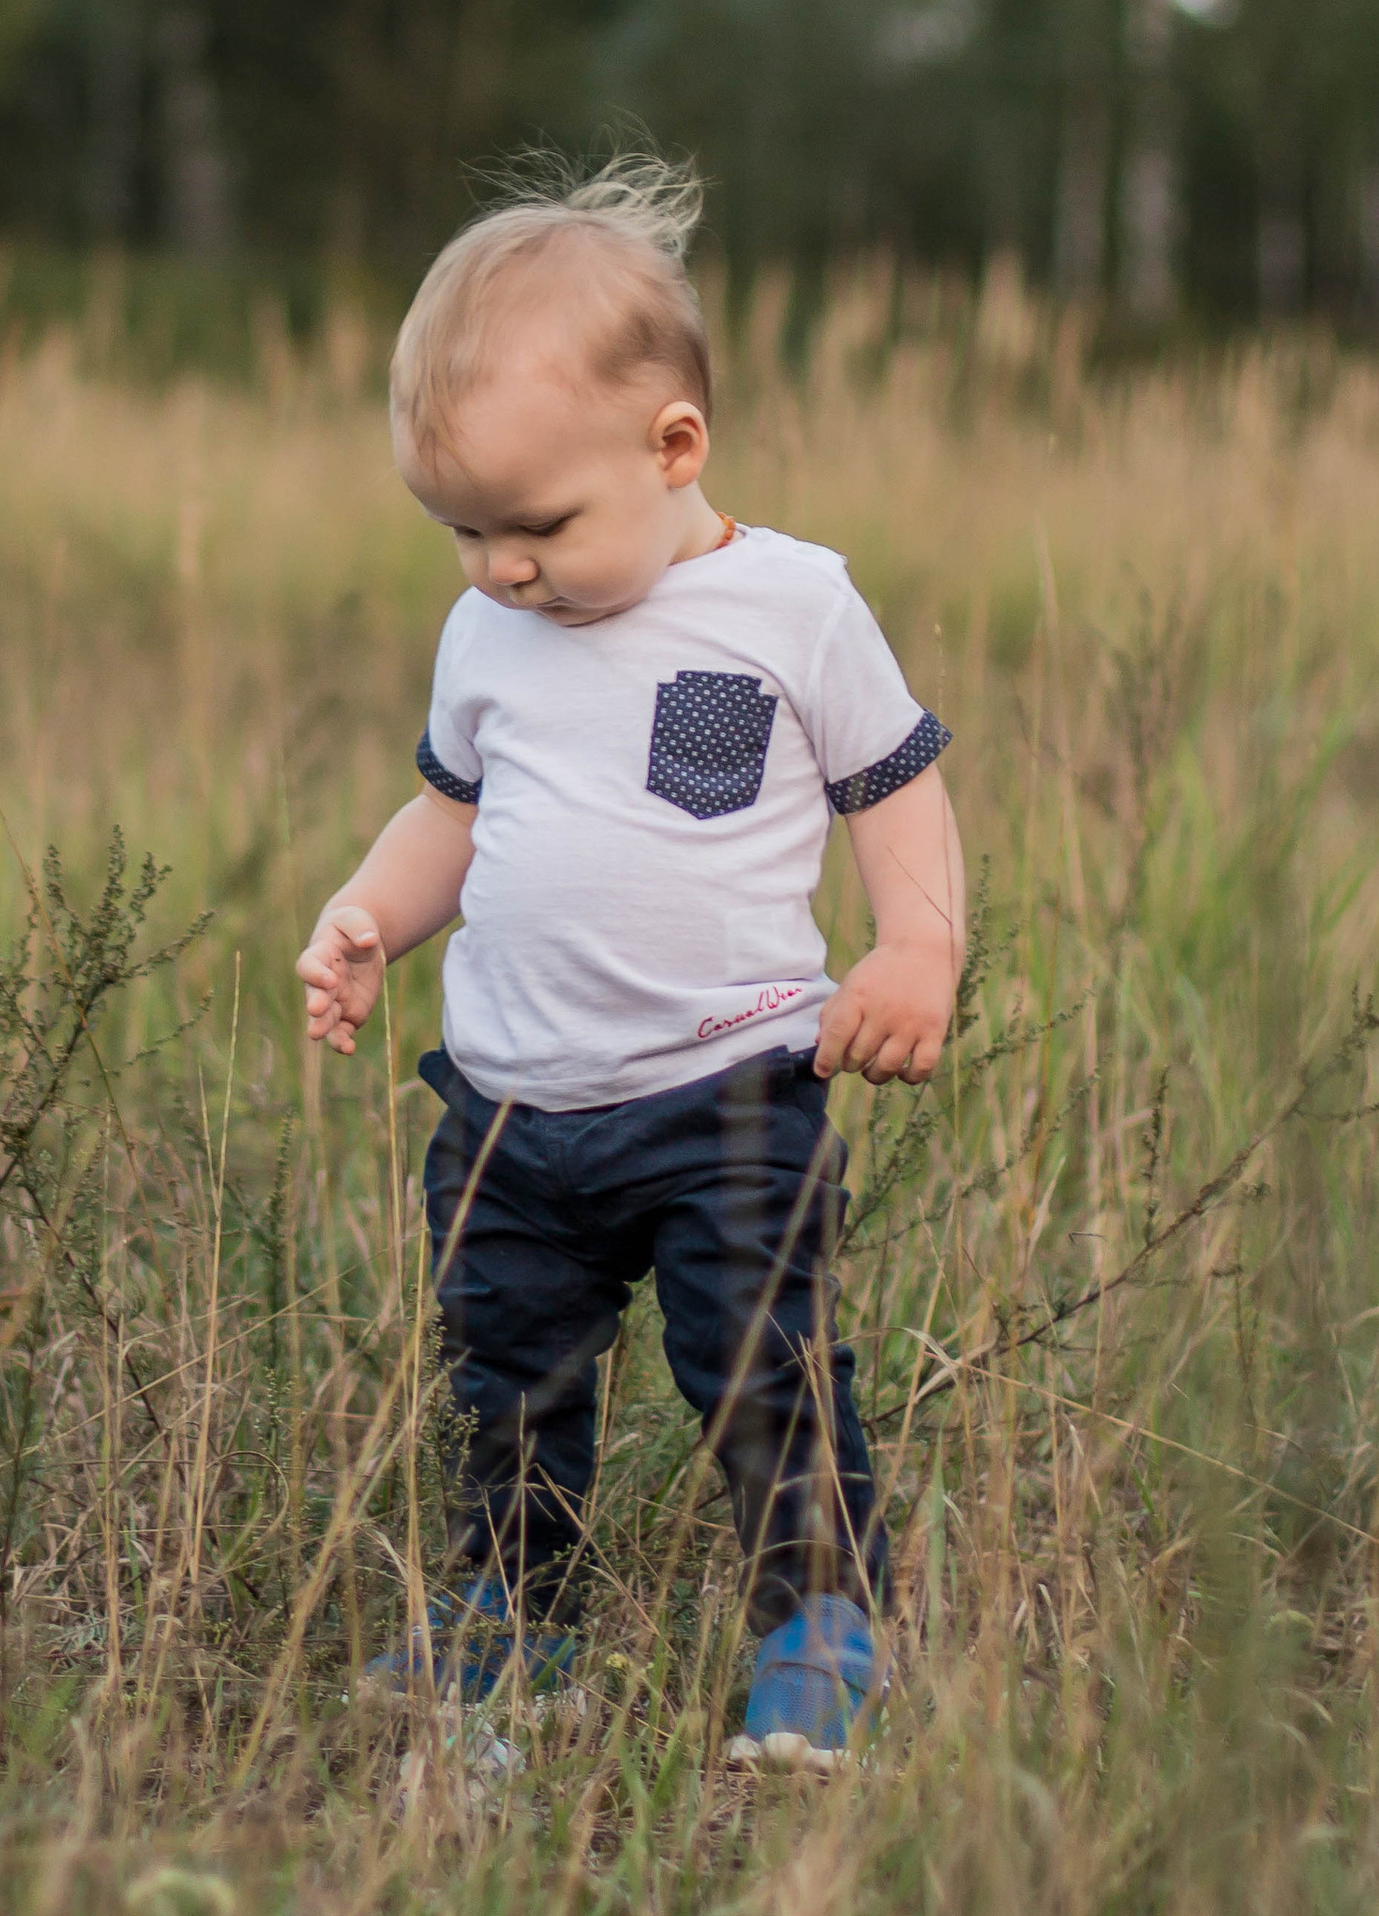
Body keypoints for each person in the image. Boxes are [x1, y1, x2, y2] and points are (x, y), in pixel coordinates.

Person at [297, 160, 964, 1772]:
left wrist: (921, 943)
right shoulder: (488, 635)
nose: (497, 568)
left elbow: (897, 788)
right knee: (504, 1377)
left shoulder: (792, 607)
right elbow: (452, 810)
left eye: (536, 526)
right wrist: (373, 914)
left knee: (760, 1364)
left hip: (730, 1094)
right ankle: (514, 1627)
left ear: (674, 449)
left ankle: (821, 1622)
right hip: (514, 1110)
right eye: (460, 531)